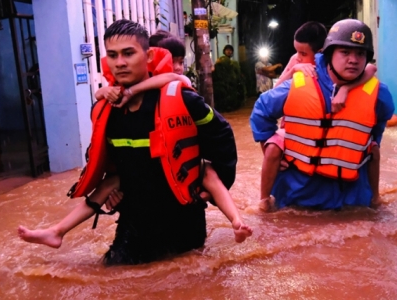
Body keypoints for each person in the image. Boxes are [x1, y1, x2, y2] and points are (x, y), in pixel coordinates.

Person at [18, 20, 252, 264]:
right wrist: (112, 194)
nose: (120, 62)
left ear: (148, 55)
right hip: (134, 223)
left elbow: (222, 137)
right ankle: (56, 232)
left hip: (183, 222)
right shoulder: (105, 110)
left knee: (187, 277)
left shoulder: (184, 100)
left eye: (128, 53)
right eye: (112, 55)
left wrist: (212, 188)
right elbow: (108, 166)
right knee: (114, 278)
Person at [250, 19, 395, 211]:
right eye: (345, 52)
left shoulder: (378, 94)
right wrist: (267, 145)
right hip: (297, 194)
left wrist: (368, 144)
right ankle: (263, 200)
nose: (353, 60)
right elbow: (261, 111)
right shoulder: (299, 83)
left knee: (373, 147)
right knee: (274, 146)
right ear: (328, 54)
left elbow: (379, 125)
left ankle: (375, 199)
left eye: (360, 54)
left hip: (351, 198)